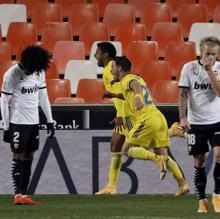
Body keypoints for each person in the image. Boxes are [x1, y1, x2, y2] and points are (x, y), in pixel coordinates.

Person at [100, 54, 189, 196]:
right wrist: (114, 95)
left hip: (146, 119)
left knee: (126, 150)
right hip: (159, 118)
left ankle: (156, 159)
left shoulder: (127, 79)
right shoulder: (138, 78)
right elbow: (130, 91)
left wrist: (138, 97)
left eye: (113, 68)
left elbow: (134, 87)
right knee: (162, 154)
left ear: (120, 68)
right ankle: (183, 184)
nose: (111, 71)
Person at [1, 45, 55, 205]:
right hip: (18, 123)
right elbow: (4, 100)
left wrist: (50, 120)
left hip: (34, 122)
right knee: (18, 156)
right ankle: (17, 194)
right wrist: (6, 127)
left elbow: (43, 96)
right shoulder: (11, 74)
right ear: (25, 62)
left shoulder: (39, 71)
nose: (32, 72)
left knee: (29, 157)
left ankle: (24, 194)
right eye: (31, 69)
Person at [178, 36, 220, 213]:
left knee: (219, 156)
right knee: (199, 161)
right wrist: (182, 117)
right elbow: (182, 95)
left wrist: (210, 71)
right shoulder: (189, 68)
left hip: (217, 120)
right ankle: (201, 200)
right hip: (196, 123)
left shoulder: (218, 68)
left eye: (214, 54)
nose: (211, 56)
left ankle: (217, 195)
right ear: (200, 52)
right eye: (208, 53)